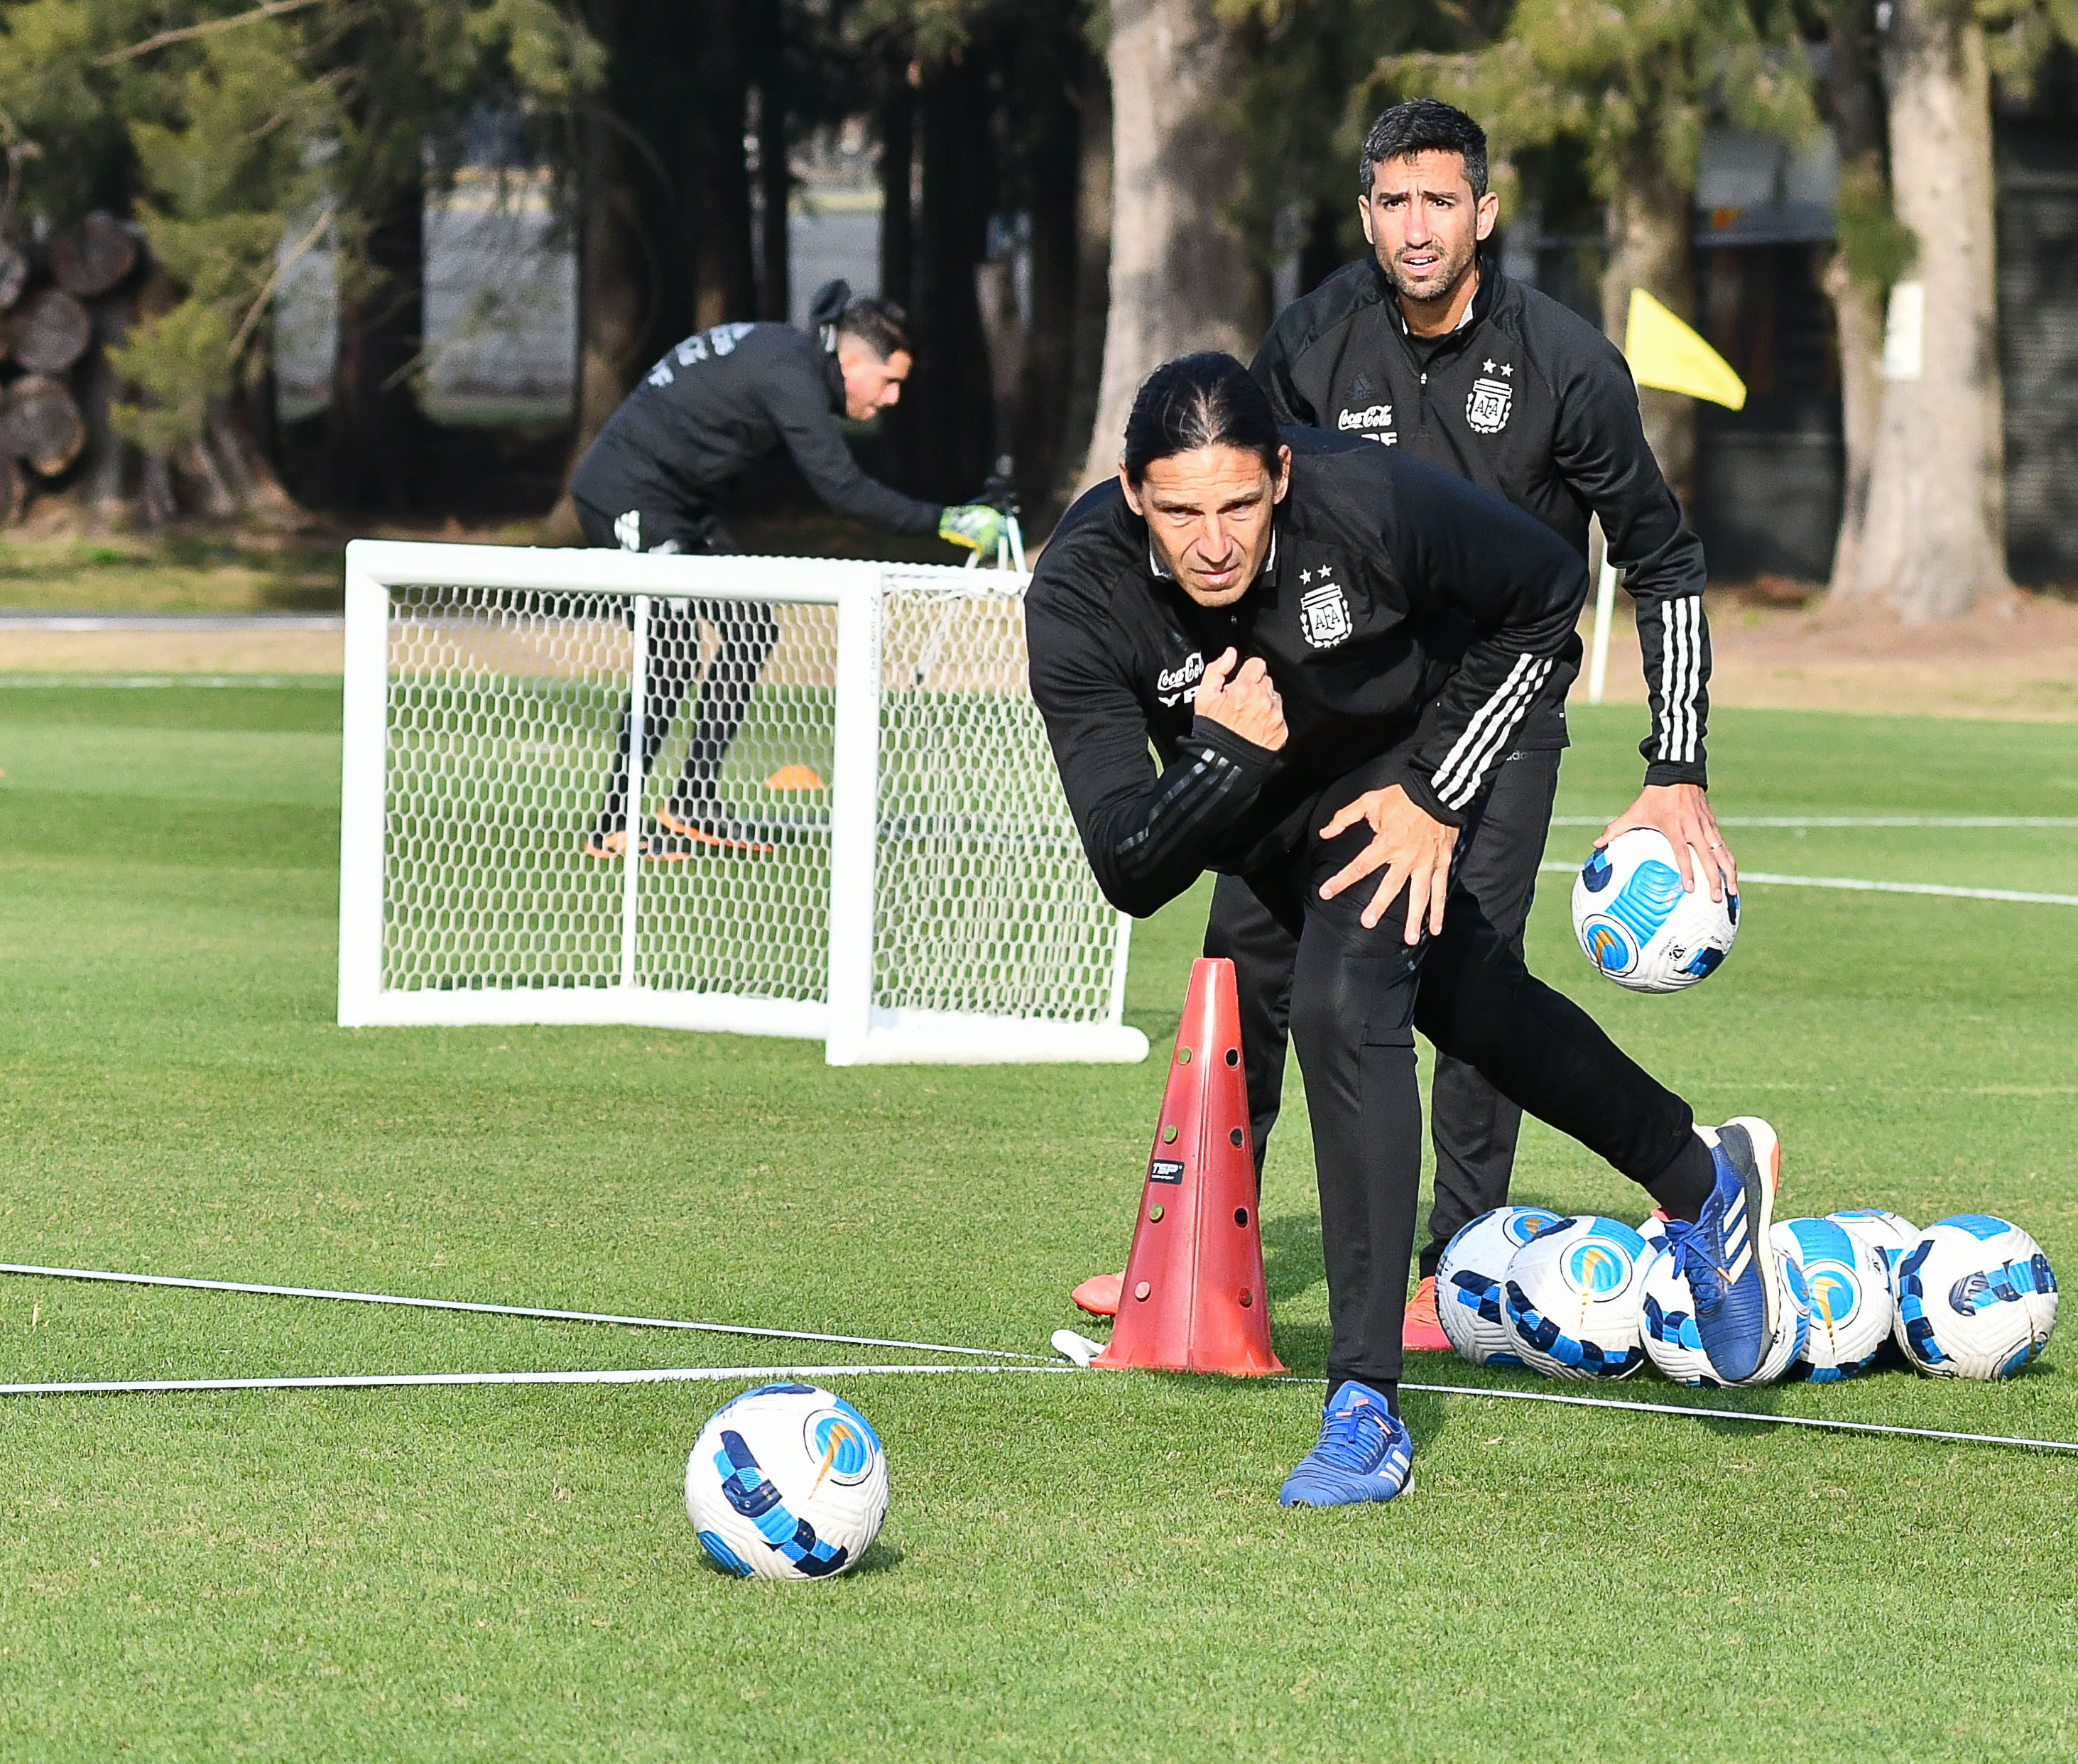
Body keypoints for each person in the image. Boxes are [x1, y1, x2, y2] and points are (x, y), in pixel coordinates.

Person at [1026, 352, 1789, 1506]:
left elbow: (1544, 596)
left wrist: (1437, 790)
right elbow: (1130, 864)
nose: (1215, 539)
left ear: (1279, 472)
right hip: (1258, 801)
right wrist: (1228, 754)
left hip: (1405, 754)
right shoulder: (1080, 594)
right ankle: (1703, 1174)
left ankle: (1366, 1405)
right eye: (1181, 513)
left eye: (1239, 502)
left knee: (1344, 1004)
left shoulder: (1362, 494)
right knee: (1469, 997)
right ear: (1133, 497)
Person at [1067, 101, 1731, 1346]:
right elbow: (1232, 529)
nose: (1414, 227)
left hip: (1498, 709)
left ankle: (1458, 1259)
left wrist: (1676, 762)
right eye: (1391, 202)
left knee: (1464, 980)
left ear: (1485, 211)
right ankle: (1201, 1231)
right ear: (1364, 212)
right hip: (1337, 716)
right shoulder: (1314, 338)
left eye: (1440, 201)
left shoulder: (1568, 363)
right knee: (1241, 957)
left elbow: (1664, 558)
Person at [568, 281, 1008, 859]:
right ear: (853, 363)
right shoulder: (790, 374)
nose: (893, 398)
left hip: (681, 509)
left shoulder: (793, 360)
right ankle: (614, 822)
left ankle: (693, 801)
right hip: (624, 495)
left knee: (750, 626)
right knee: (670, 651)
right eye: (891, 381)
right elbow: (843, 491)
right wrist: (944, 520)